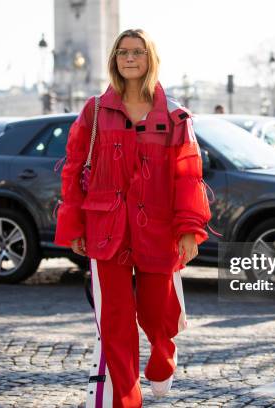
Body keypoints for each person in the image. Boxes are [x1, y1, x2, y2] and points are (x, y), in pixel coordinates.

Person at [54, 29, 211, 407]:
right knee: (115, 324)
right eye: (123, 52)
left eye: (137, 52)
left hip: (158, 228)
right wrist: (75, 226)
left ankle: (162, 362)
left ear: (149, 58)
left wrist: (189, 229)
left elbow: (188, 175)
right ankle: (125, 399)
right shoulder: (94, 111)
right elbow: (74, 169)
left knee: (160, 315)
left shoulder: (174, 115)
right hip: (105, 228)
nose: (129, 58)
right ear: (114, 59)